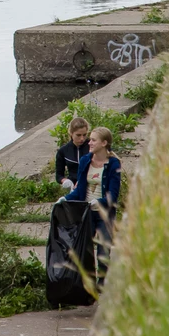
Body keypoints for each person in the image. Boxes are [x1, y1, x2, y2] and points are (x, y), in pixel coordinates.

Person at [64, 126, 121, 283]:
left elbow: (113, 196)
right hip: (86, 212)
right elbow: (80, 189)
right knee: (85, 249)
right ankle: (87, 284)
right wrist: (66, 199)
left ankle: (101, 283)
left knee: (103, 251)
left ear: (104, 143)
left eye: (93, 140)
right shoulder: (85, 161)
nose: (89, 143)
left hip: (104, 214)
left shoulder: (113, 164)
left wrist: (99, 202)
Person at [55, 117, 90, 192]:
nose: (82, 138)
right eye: (78, 135)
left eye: (84, 135)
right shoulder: (63, 150)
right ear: (71, 133)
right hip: (73, 186)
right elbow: (59, 175)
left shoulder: (92, 146)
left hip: (91, 184)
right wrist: (65, 181)